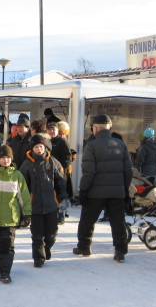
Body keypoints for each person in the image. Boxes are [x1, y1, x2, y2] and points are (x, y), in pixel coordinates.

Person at [73, 114, 132, 263]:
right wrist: (124, 188)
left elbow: (89, 172)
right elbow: (128, 170)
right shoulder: (121, 144)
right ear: (109, 128)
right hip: (117, 191)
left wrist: (83, 190)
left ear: (95, 128)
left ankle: (84, 246)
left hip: (95, 192)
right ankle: (120, 250)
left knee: (87, 220)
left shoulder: (91, 145)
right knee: (118, 221)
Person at [0, 145, 31, 284]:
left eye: (8, 157)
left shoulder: (17, 176)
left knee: (7, 245)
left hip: (11, 218)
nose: (5, 160)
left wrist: (27, 214)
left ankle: (5, 272)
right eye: (2, 157)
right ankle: (1, 263)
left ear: (12, 159)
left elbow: (24, 197)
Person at [20, 134, 69, 268]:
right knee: (37, 234)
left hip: (51, 205)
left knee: (51, 233)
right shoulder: (27, 164)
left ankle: (46, 248)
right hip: (34, 205)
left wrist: (63, 197)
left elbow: (60, 182)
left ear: (45, 147)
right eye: (36, 147)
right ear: (32, 149)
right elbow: (22, 185)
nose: (39, 149)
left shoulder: (53, 162)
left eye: (41, 146)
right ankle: (38, 258)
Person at [47, 122, 72, 224]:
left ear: (58, 130)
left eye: (54, 129)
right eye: (50, 129)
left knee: (60, 195)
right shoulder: (45, 141)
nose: (52, 131)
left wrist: (63, 168)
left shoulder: (62, 141)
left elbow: (67, 157)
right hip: (47, 172)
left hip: (59, 173)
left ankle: (61, 216)